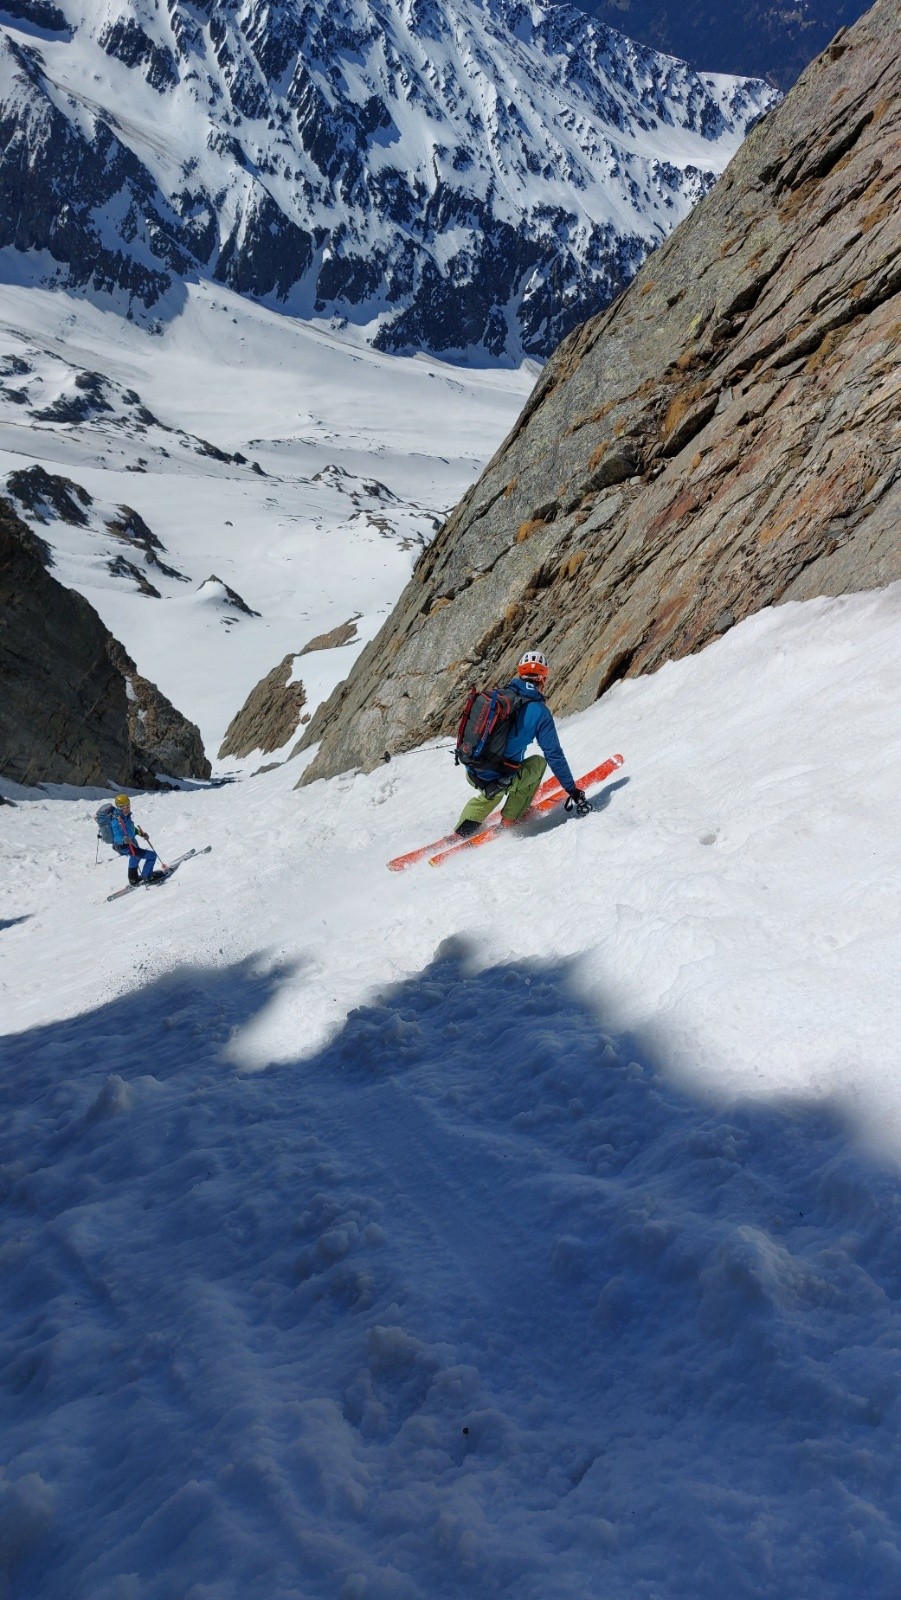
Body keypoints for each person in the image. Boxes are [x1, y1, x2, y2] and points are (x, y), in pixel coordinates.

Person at [455, 650, 590, 838]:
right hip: (499, 778)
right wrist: (572, 790)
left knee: (493, 786)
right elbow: (554, 755)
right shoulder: (539, 712)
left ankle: (462, 830)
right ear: (543, 679)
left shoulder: (499, 697)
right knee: (536, 764)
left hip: (472, 769)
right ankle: (511, 819)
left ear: (520, 674)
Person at [109, 794, 166, 885]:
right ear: (119, 807)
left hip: (130, 844)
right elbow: (117, 837)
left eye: (128, 805)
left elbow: (131, 829)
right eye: (125, 806)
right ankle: (147, 876)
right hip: (124, 846)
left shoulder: (125, 816)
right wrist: (124, 840)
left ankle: (133, 878)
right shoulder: (116, 821)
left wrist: (141, 834)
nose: (128, 808)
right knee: (152, 856)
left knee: (135, 857)